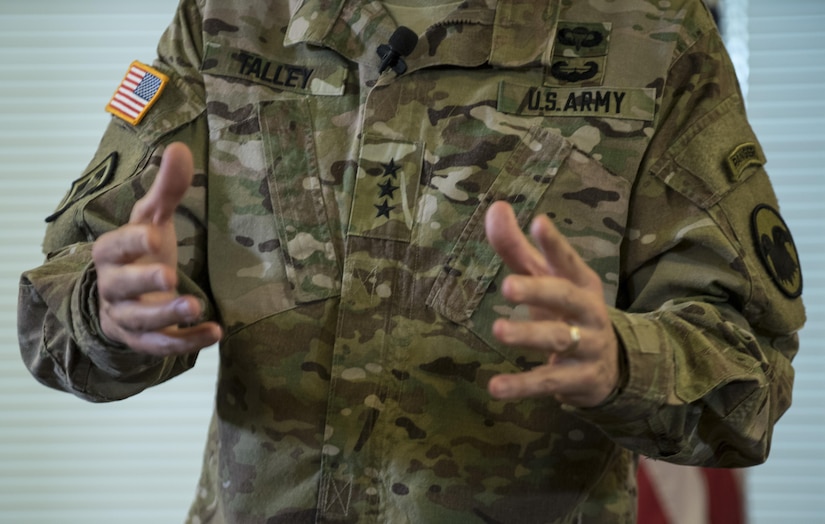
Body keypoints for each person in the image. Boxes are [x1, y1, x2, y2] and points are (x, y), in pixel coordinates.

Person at [17, 0, 804, 522]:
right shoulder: (230, 19)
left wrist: (622, 363)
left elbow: (751, 384)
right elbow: (55, 311)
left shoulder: (651, 35)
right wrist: (108, 309)